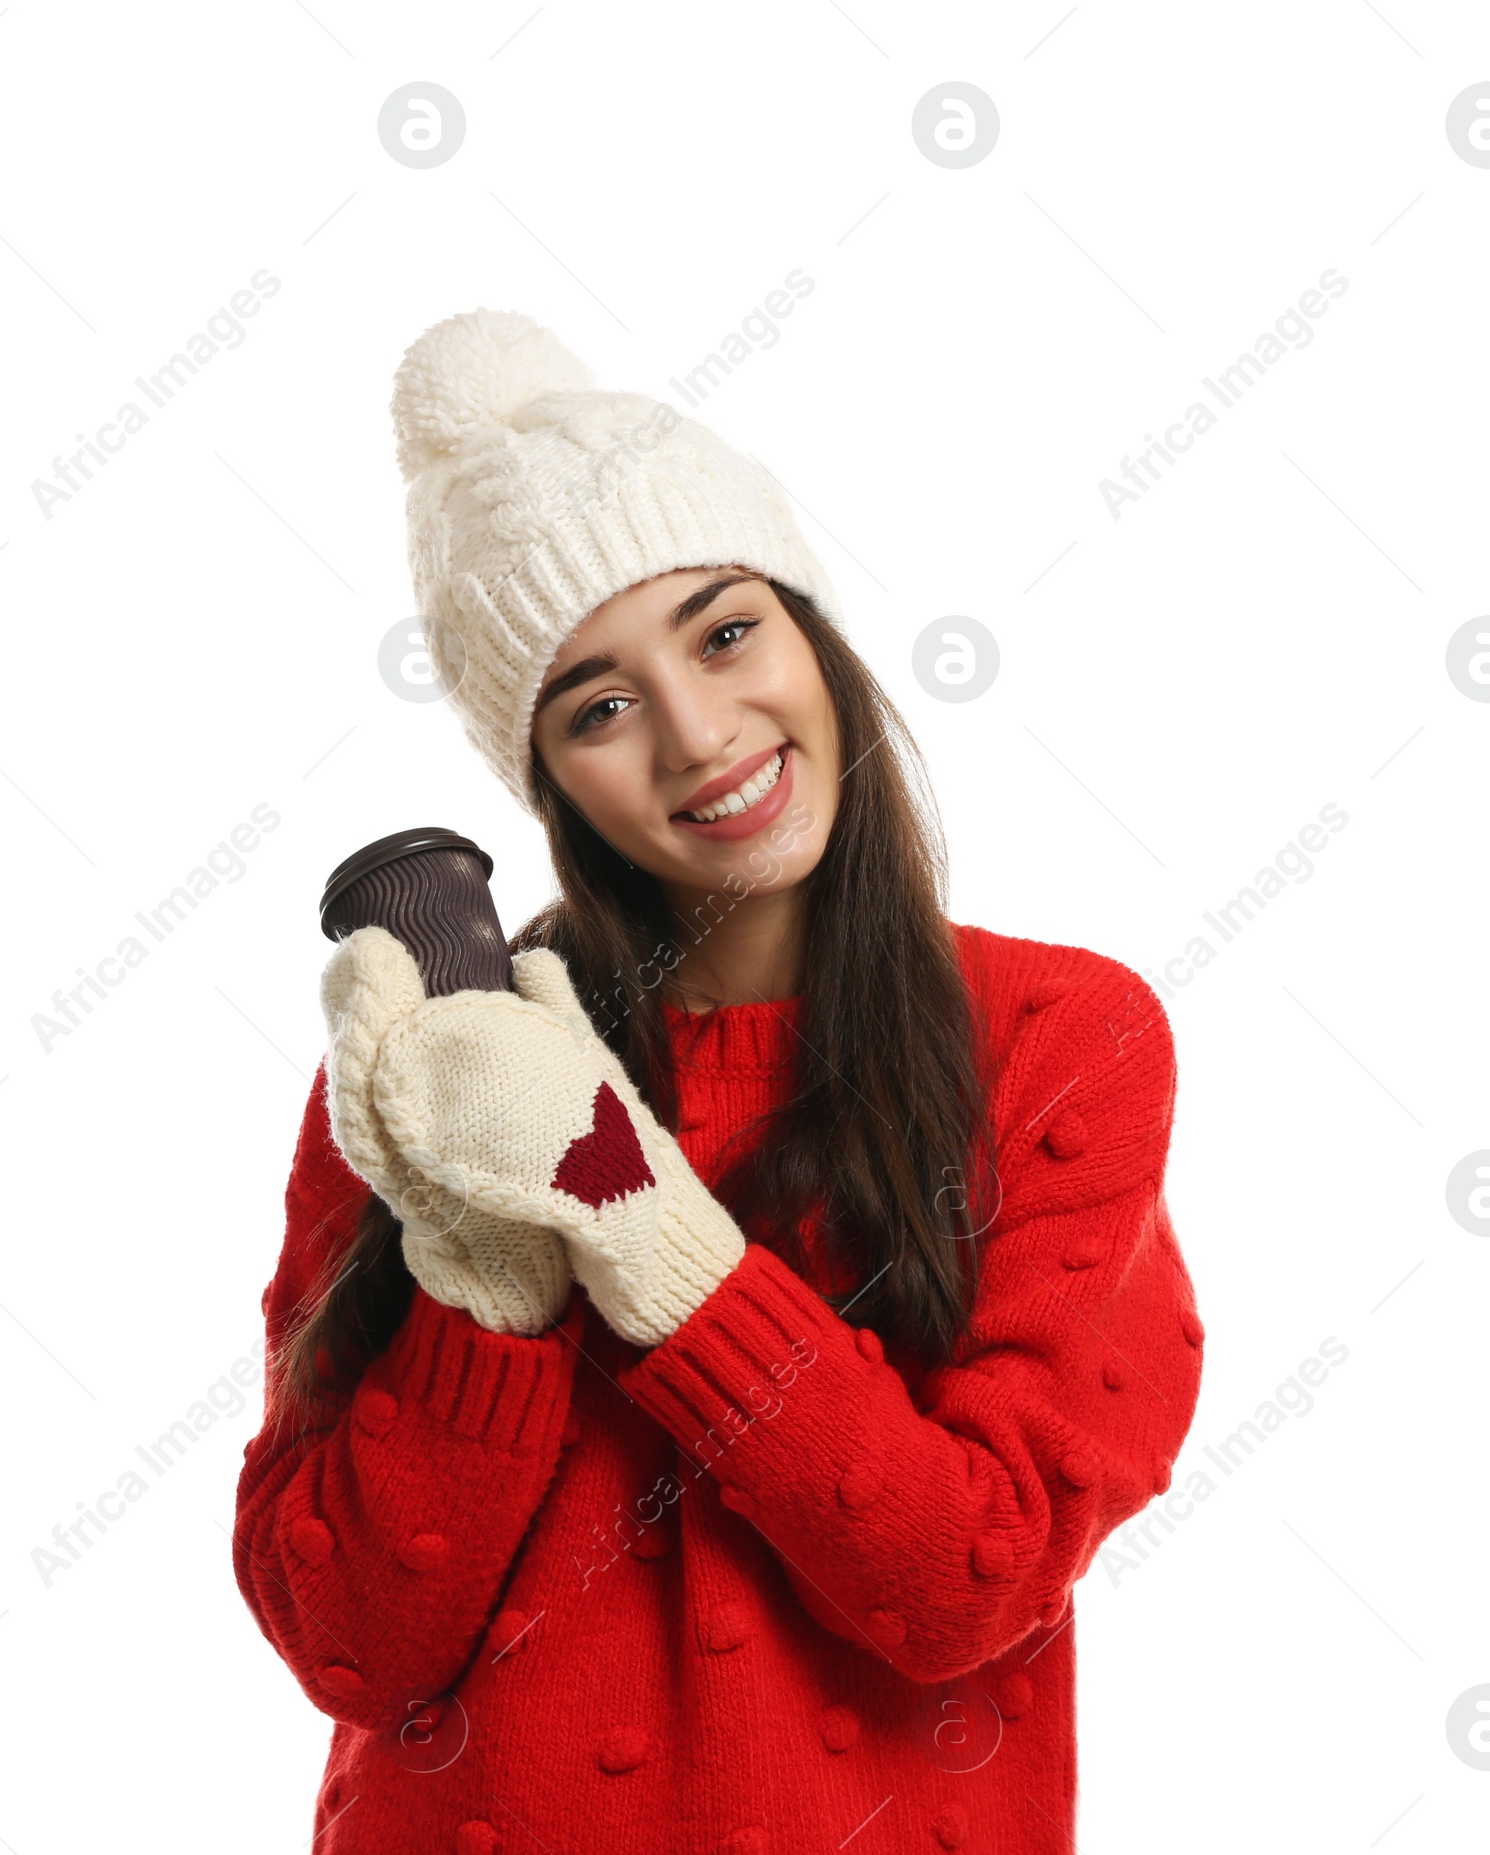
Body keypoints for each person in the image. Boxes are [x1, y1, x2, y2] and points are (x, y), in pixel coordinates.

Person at [232, 307, 1205, 1855]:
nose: (699, 733)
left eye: (726, 628)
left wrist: (639, 1227)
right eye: (598, 706)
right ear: (545, 778)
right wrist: (489, 1271)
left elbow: (969, 1579)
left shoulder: (1058, 1038)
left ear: (810, 628)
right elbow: (350, 1640)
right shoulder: (437, 1072)